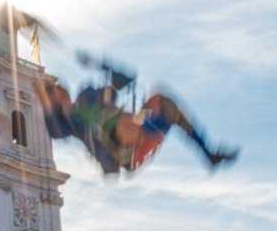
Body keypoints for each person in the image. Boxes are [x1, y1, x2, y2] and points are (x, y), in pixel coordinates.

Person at [34, 52, 238, 175]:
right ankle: (136, 129)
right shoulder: (69, 123)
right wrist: (45, 100)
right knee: (120, 121)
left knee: (161, 99)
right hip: (119, 151)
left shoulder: (88, 96)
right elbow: (54, 131)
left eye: (58, 90)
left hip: (136, 133)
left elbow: (126, 78)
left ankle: (209, 153)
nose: (59, 95)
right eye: (54, 96)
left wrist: (97, 63)